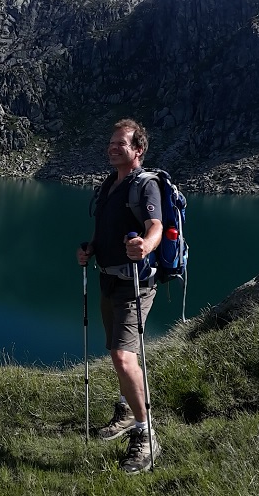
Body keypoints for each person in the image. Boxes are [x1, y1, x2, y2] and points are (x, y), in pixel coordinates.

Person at [76, 118, 163, 473]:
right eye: (111, 142)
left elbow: (155, 227)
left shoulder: (145, 185)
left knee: (123, 356)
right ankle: (127, 411)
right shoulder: (108, 185)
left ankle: (146, 433)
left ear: (138, 150)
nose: (112, 148)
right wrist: (90, 249)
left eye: (121, 144)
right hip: (108, 281)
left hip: (135, 285)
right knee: (118, 354)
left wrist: (146, 246)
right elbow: (104, 231)